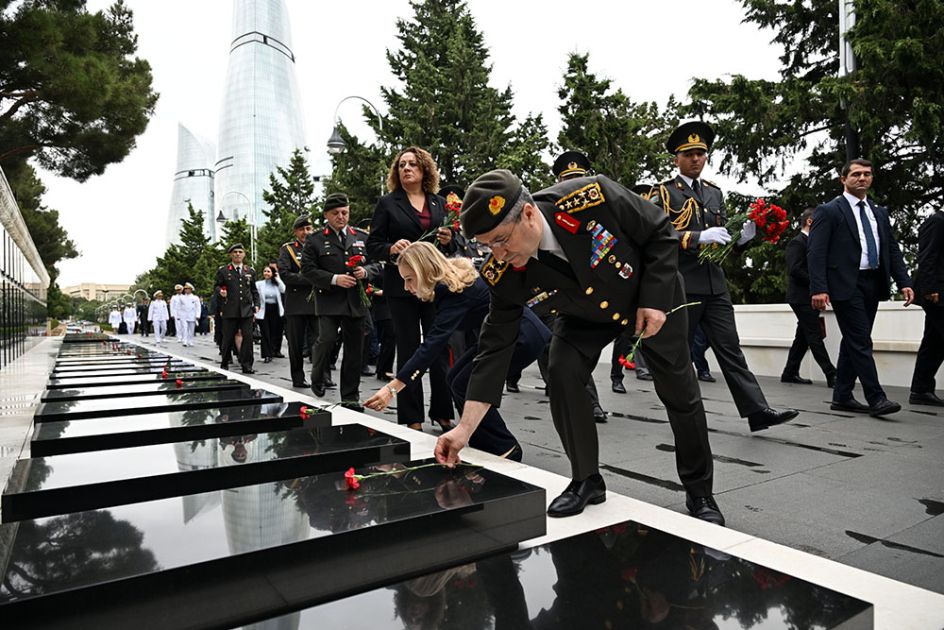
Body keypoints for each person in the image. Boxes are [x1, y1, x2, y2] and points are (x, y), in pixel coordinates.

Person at [436, 169, 724, 525]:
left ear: (528, 214)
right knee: (562, 370)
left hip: (648, 295)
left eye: (501, 240)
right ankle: (586, 479)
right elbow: (493, 349)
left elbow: (660, 231)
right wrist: (464, 430)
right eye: (487, 245)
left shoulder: (591, 198)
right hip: (584, 315)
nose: (498, 253)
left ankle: (700, 491)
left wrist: (654, 300)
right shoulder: (502, 272)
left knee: (680, 393)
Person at [651, 121, 798, 432]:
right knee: (679, 353)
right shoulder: (663, 193)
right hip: (683, 284)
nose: (695, 159)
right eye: (689, 154)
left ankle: (757, 411)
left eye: (700, 154)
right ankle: (683, 412)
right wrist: (696, 237)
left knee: (730, 348)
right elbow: (654, 235)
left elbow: (724, 242)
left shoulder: (715, 193)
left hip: (714, 284)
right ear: (676, 159)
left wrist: (742, 239)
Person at [365, 242, 550, 454]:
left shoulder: (450, 290)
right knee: (455, 378)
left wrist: (392, 388)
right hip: (502, 336)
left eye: (409, 279)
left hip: (521, 337)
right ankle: (483, 445)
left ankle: (504, 447)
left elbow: (433, 344)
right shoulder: (448, 284)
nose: (406, 287)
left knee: (466, 383)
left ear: (424, 271)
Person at [808, 158, 914, 416]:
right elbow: (816, 252)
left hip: (873, 282)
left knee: (854, 340)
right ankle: (876, 398)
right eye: (856, 174)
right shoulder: (829, 211)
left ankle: (842, 396)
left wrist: (904, 281)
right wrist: (818, 288)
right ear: (843, 179)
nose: (862, 178)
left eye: (867, 174)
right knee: (860, 340)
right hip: (845, 284)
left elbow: (891, 248)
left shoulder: (879, 212)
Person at [366, 146, 457, 430]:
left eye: (413, 164)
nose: (406, 168)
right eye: (402, 165)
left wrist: (448, 240)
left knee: (439, 346)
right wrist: (391, 248)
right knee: (408, 348)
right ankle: (411, 416)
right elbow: (372, 246)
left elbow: (451, 247)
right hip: (401, 286)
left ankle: (442, 411)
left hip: (434, 284)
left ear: (424, 169)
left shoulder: (439, 203)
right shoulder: (387, 203)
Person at [302, 193, 377, 409]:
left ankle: (350, 396)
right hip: (329, 299)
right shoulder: (315, 239)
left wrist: (366, 271)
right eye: (335, 213)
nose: (341, 217)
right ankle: (318, 374)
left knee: (354, 350)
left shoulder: (361, 236)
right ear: (326, 215)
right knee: (326, 339)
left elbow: (376, 263)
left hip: (355, 301)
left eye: (345, 212)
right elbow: (307, 269)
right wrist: (334, 279)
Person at [781, 208, 836, 386]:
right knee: (814, 334)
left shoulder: (813, 243)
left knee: (803, 336)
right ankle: (831, 374)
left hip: (808, 296)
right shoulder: (797, 243)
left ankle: (789, 372)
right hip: (801, 297)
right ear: (810, 221)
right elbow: (795, 270)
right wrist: (818, 284)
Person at [910, 208, 944, 406]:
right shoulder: (937, 221)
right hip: (936, 293)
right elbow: (927, 256)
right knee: (934, 342)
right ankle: (920, 390)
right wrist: (930, 288)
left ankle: (920, 390)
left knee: (934, 342)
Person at [279, 215, 317, 387]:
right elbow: (285, 274)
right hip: (296, 303)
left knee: (320, 342)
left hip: (317, 302)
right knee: (296, 344)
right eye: (302, 229)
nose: (306, 232)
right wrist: (312, 279)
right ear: (296, 232)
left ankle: (322, 376)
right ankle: (298, 377)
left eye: (308, 228)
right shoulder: (288, 249)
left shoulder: (319, 248)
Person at [215, 243, 260, 374]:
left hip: (246, 310)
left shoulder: (249, 271)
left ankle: (247, 365)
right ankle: (225, 362)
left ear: (244, 254)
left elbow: (254, 290)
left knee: (248, 338)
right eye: (235, 252)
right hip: (230, 309)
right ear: (231, 255)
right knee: (228, 338)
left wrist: (257, 304)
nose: (238, 254)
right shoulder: (224, 271)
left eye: (240, 252)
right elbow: (217, 286)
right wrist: (221, 291)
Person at [255, 266, 286, 363]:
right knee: (265, 332)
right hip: (263, 310)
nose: (266, 273)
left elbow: (284, 290)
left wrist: (278, 279)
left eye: (268, 271)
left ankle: (272, 351)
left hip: (275, 310)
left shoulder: (277, 284)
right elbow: (255, 296)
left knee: (274, 332)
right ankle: (267, 354)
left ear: (273, 273)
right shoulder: (259, 284)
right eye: (264, 271)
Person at [176, 282, 200, 347]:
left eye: (188, 289)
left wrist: (197, 315)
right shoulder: (182, 298)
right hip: (184, 315)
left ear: (191, 289)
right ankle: (185, 341)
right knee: (185, 328)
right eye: (185, 289)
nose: (186, 290)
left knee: (191, 329)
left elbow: (198, 307)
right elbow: (179, 307)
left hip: (192, 315)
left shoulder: (195, 298)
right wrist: (178, 315)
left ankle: (190, 340)